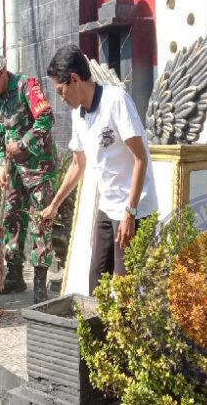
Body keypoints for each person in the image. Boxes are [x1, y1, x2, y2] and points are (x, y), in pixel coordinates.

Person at [42, 45, 158, 295]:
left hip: (135, 207)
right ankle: (98, 334)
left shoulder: (115, 100)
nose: (61, 98)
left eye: (61, 91)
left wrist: (130, 213)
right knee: (97, 282)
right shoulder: (78, 116)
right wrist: (54, 204)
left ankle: (130, 333)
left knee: (127, 288)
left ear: (74, 79)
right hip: (108, 206)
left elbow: (140, 159)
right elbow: (77, 164)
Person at [0, 49, 57, 303]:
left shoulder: (26, 86)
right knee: (10, 218)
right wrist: (1, 164)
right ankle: (14, 274)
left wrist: (23, 143)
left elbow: (46, 119)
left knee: (40, 221)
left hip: (38, 168)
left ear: (0, 72)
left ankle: (40, 283)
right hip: (13, 172)